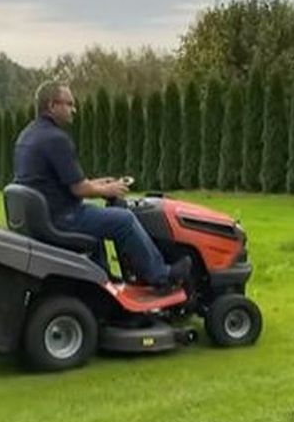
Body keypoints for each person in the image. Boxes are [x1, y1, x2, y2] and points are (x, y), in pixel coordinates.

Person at [13, 80, 190, 293]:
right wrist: (109, 190)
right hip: (62, 217)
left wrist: (100, 183)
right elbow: (79, 190)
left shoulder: (28, 135)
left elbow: (68, 182)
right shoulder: (55, 139)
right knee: (124, 220)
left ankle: (103, 278)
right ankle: (162, 275)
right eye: (69, 104)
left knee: (96, 218)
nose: (74, 109)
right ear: (51, 105)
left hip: (45, 215)